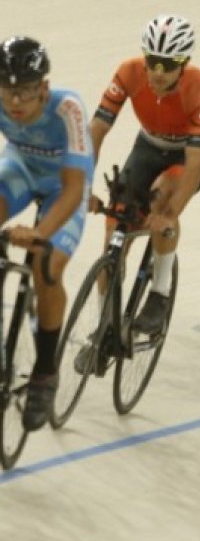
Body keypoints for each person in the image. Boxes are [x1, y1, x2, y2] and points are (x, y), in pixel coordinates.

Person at [89, 15, 200, 335]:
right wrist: (82, 185)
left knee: (162, 198)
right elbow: (97, 130)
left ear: (184, 63)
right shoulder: (129, 72)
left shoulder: (199, 87)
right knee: (115, 221)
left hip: (189, 153)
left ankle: (159, 293)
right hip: (149, 145)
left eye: (168, 65)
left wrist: (171, 213)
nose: (158, 72)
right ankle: (104, 325)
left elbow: (195, 161)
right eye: (153, 62)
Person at [0, 36, 93, 431]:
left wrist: (39, 233)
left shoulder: (68, 108)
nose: (15, 101)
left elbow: (73, 189)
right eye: (7, 91)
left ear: (44, 88)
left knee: (46, 267)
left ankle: (44, 371)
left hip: (63, 185)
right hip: (19, 169)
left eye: (24, 91)